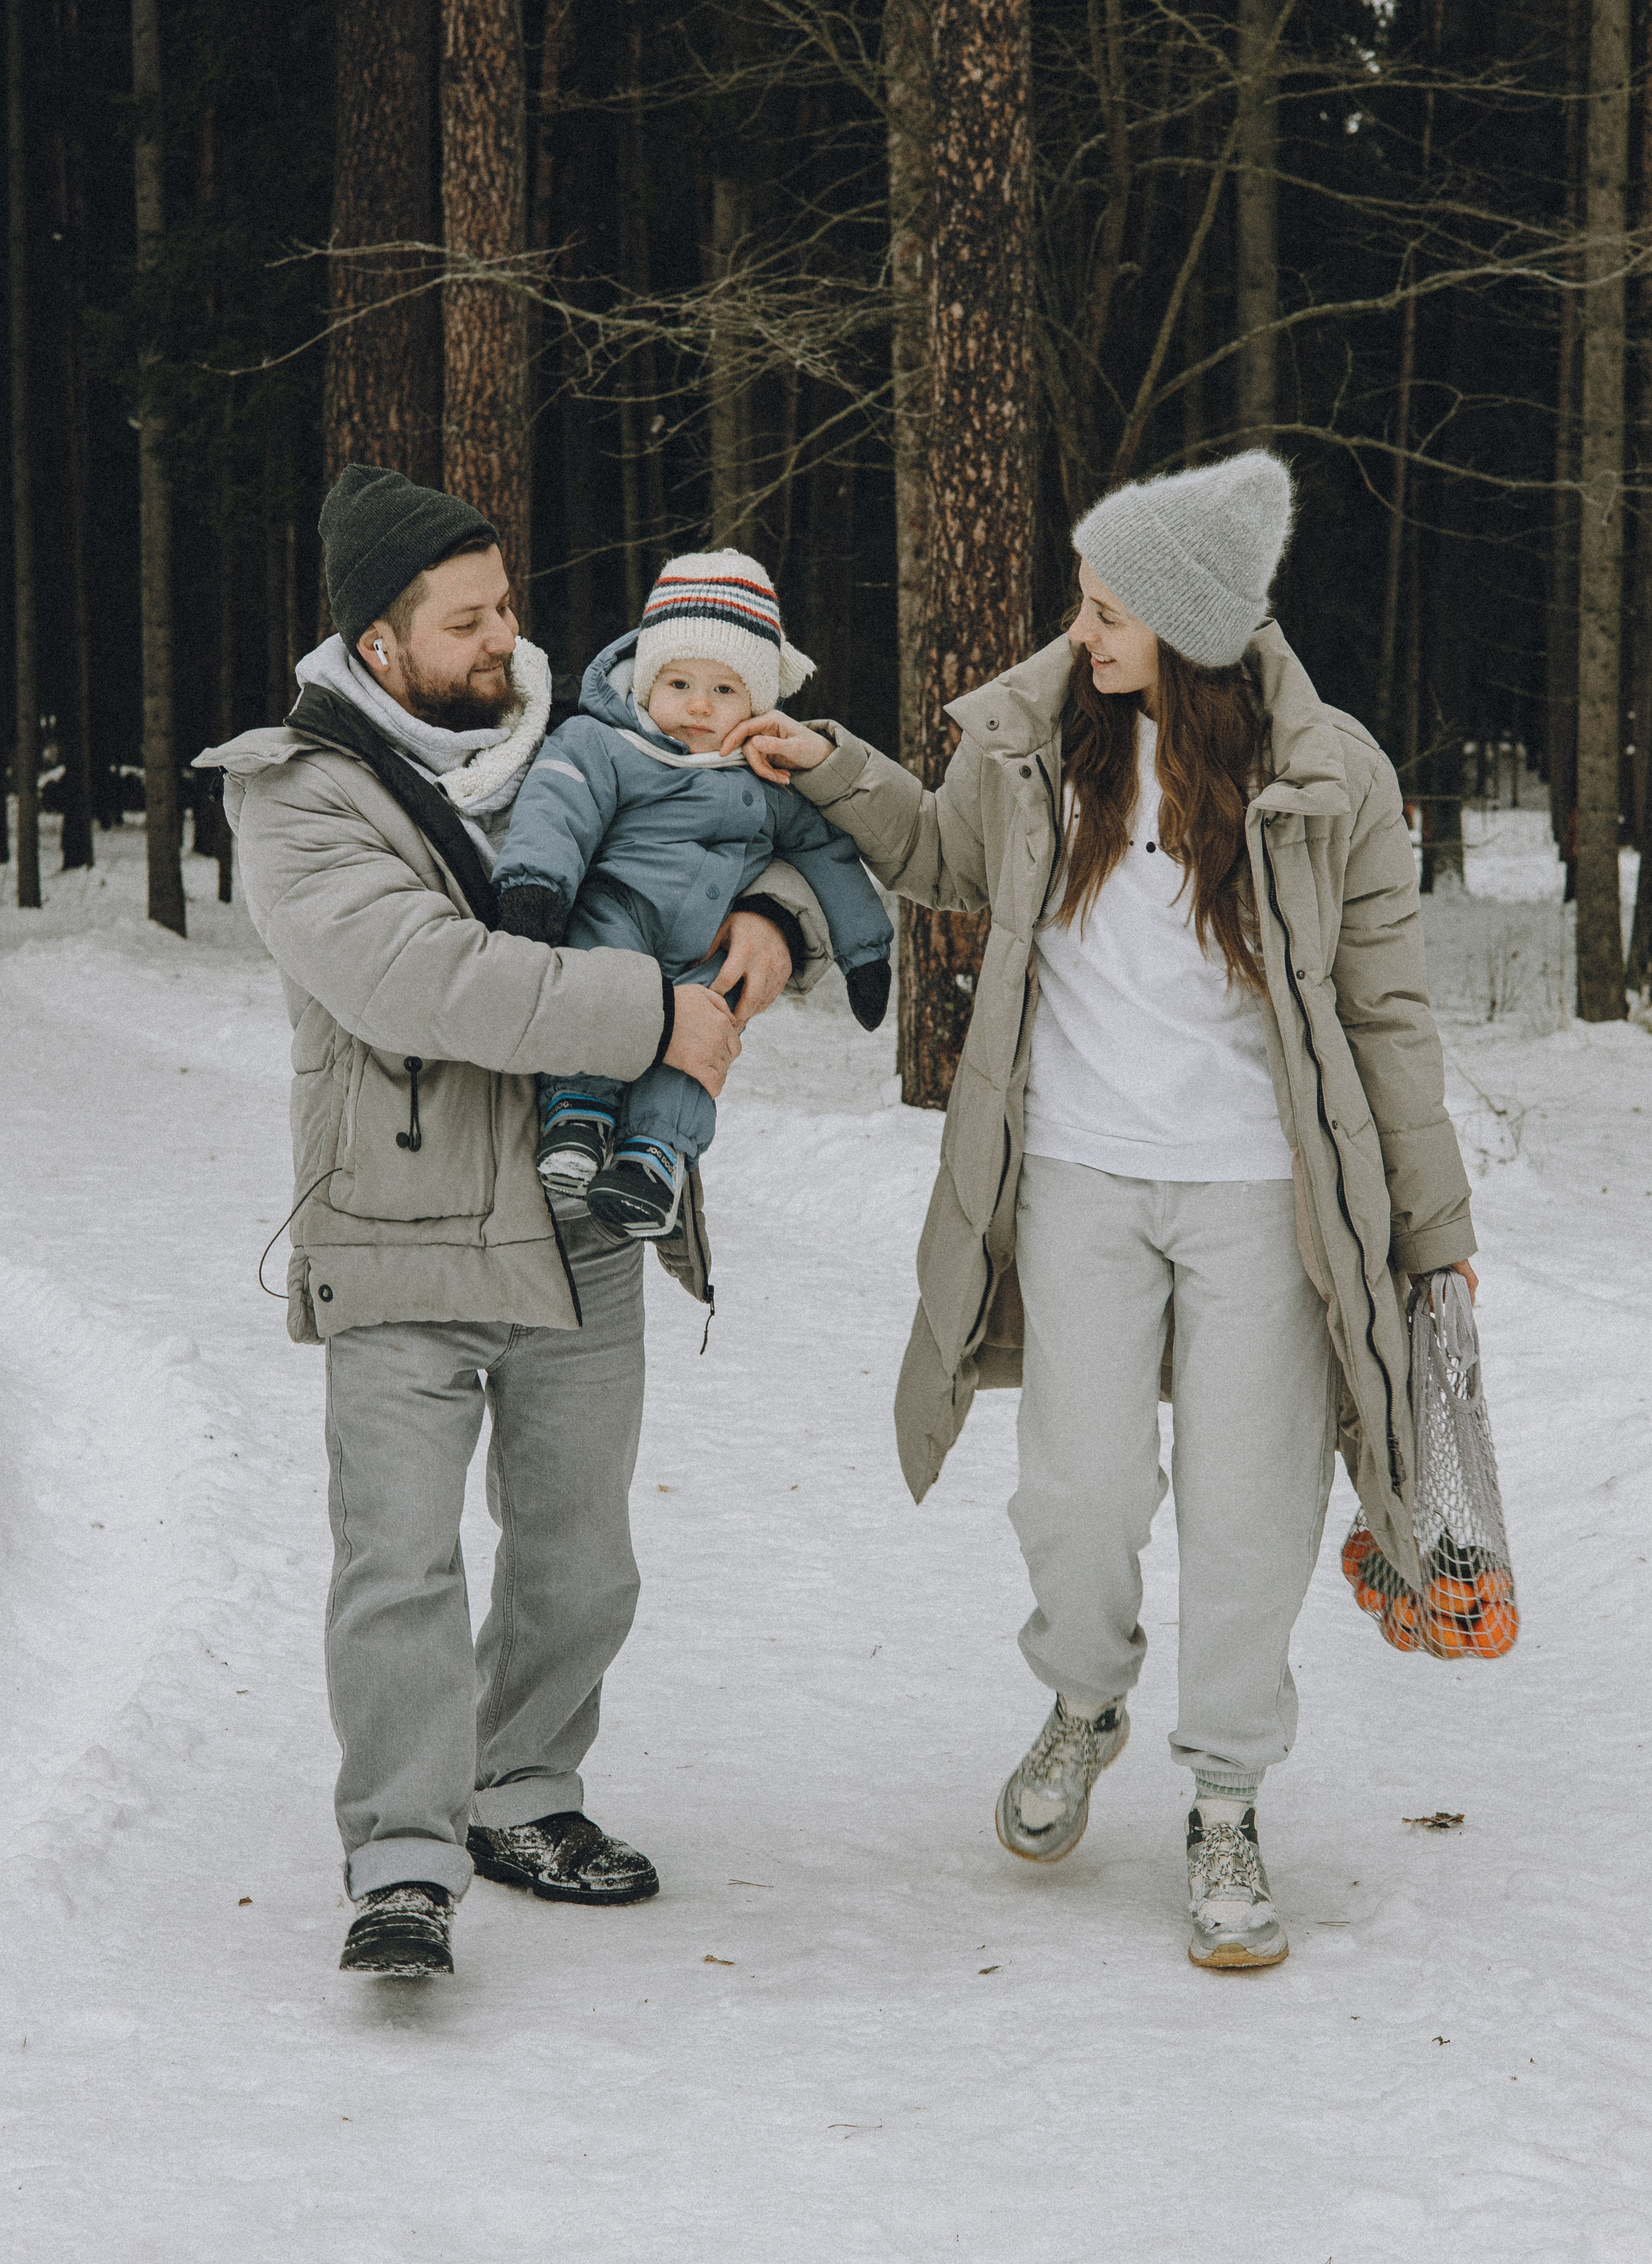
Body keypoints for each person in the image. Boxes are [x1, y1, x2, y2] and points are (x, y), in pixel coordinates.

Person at [725, 450, 1478, 1972]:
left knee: (1249, 1506)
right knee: (1071, 1487)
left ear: (1193, 627)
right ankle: (1081, 1696)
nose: (1081, 629)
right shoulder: (1031, 745)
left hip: (1263, 1193)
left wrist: (1429, 1223)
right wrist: (828, 763)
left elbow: (1387, 1010)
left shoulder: (1323, 776)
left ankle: (1221, 1797)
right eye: (1082, 599)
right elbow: (940, 859)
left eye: (1109, 605)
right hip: (1072, 1166)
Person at [197, 465, 832, 1979]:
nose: (503, 640)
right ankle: (403, 1856)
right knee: (401, 1558)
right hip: (401, 1222)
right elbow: (421, 979)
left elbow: (739, 819)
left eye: (507, 607)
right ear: (374, 643)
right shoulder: (298, 791)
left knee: (578, 1554)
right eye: (466, 620)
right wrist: (658, 1014)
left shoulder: (591, 731)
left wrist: (781, 920)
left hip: (575, 1216)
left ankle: (525, 1789)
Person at [491, 551, 893, 1239]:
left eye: (725, 690)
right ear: (647, 683)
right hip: (618, 914)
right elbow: (556, 805)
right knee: (600, 962)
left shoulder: (768, 776)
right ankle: (578, 1111)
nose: (699, 706)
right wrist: (534, 889)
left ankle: (656, 1157)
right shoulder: (602, 742)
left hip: (708, 946)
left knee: (713, 1018)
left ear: (759, 702)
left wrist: (867, 951)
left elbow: (828, 854)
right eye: (678, 682)